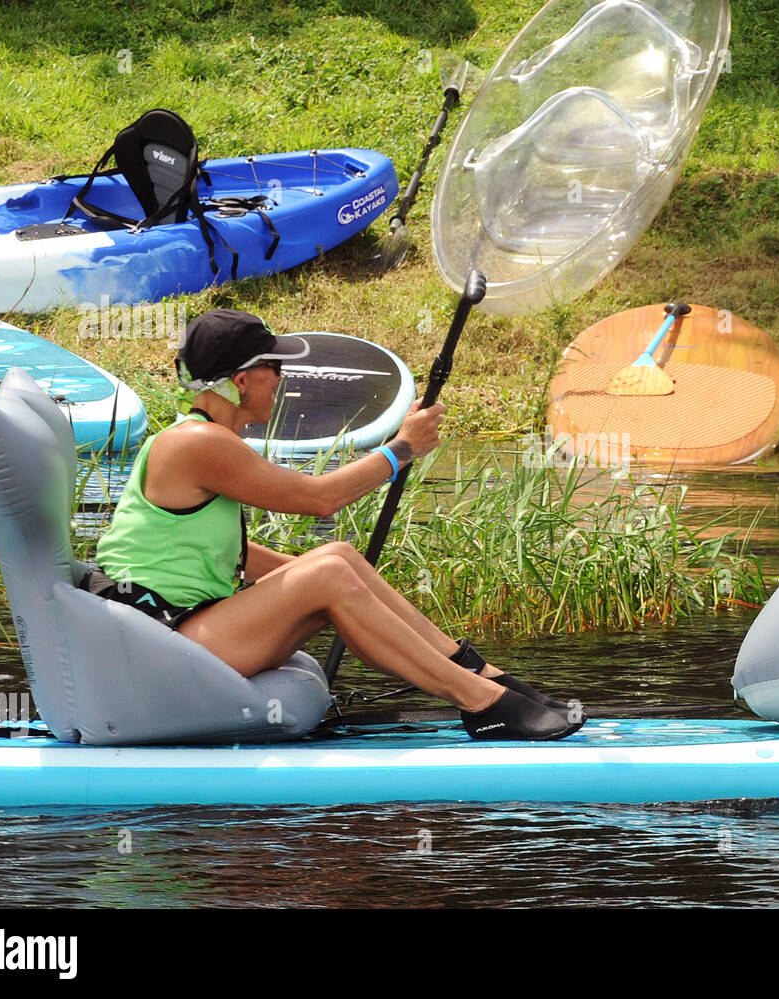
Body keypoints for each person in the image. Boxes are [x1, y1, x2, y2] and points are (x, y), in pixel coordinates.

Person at [83, 309, 585, 741]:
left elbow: (236, 556)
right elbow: (319, 500)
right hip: (158, 645)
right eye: (274, 367)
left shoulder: (201, 440)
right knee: (328, 572)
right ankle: (480, 703)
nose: (281, 379)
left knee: (336, 558)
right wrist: (402, 449)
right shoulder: (195, 444)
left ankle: (478, 670)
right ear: (242, 380)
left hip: (180, 628)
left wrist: (342, 580)